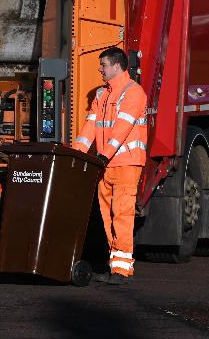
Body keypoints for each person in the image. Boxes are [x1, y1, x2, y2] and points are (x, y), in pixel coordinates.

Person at [72, 46, 148, 285]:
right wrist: (77, 153)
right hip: (106, 165)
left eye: (103, 65)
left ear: (117, 66)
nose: (100, 69)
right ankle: (115, 266)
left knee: (122, 214)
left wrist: (103, 155)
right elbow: (89, 128)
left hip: (125, 163)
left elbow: (121, 130)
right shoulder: (102, 95)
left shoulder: (134, 92)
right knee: (108, 216)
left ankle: (122, 271)